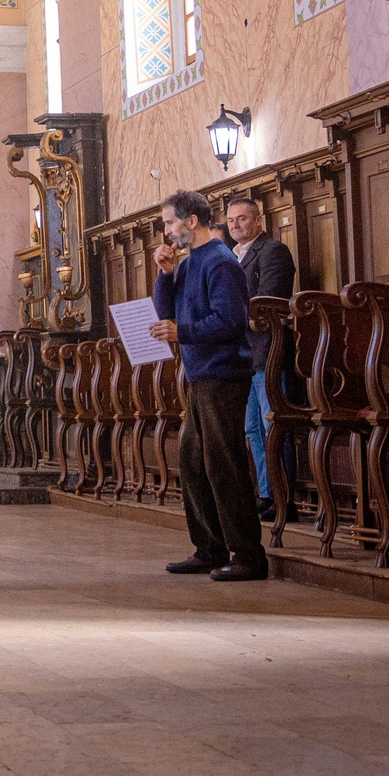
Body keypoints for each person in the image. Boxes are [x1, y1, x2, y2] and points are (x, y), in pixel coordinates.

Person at [152, 189, 268, 582]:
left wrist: (181, 331)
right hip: (200, 375)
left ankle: (249, 555)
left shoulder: (220, 262)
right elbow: (165, 313)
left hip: (224, 375)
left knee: (225, 466)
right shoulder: (188, 264)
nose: (166, 231)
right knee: (194, 464)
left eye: (169, 222)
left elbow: (231, 321)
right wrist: (165, 275)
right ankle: (209, 548)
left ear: (192, 221)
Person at [224, 196, 296, 513]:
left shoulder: (273, 251)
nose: (236, 224)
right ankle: (266, 494)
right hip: (244, 356)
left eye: (241, 218)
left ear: (258, 220)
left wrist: (230, 315)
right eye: (230, 220)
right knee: (252, 430)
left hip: (268, 352)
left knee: (273, 426)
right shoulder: (233, 257)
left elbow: (266, 301)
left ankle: (283, 499)